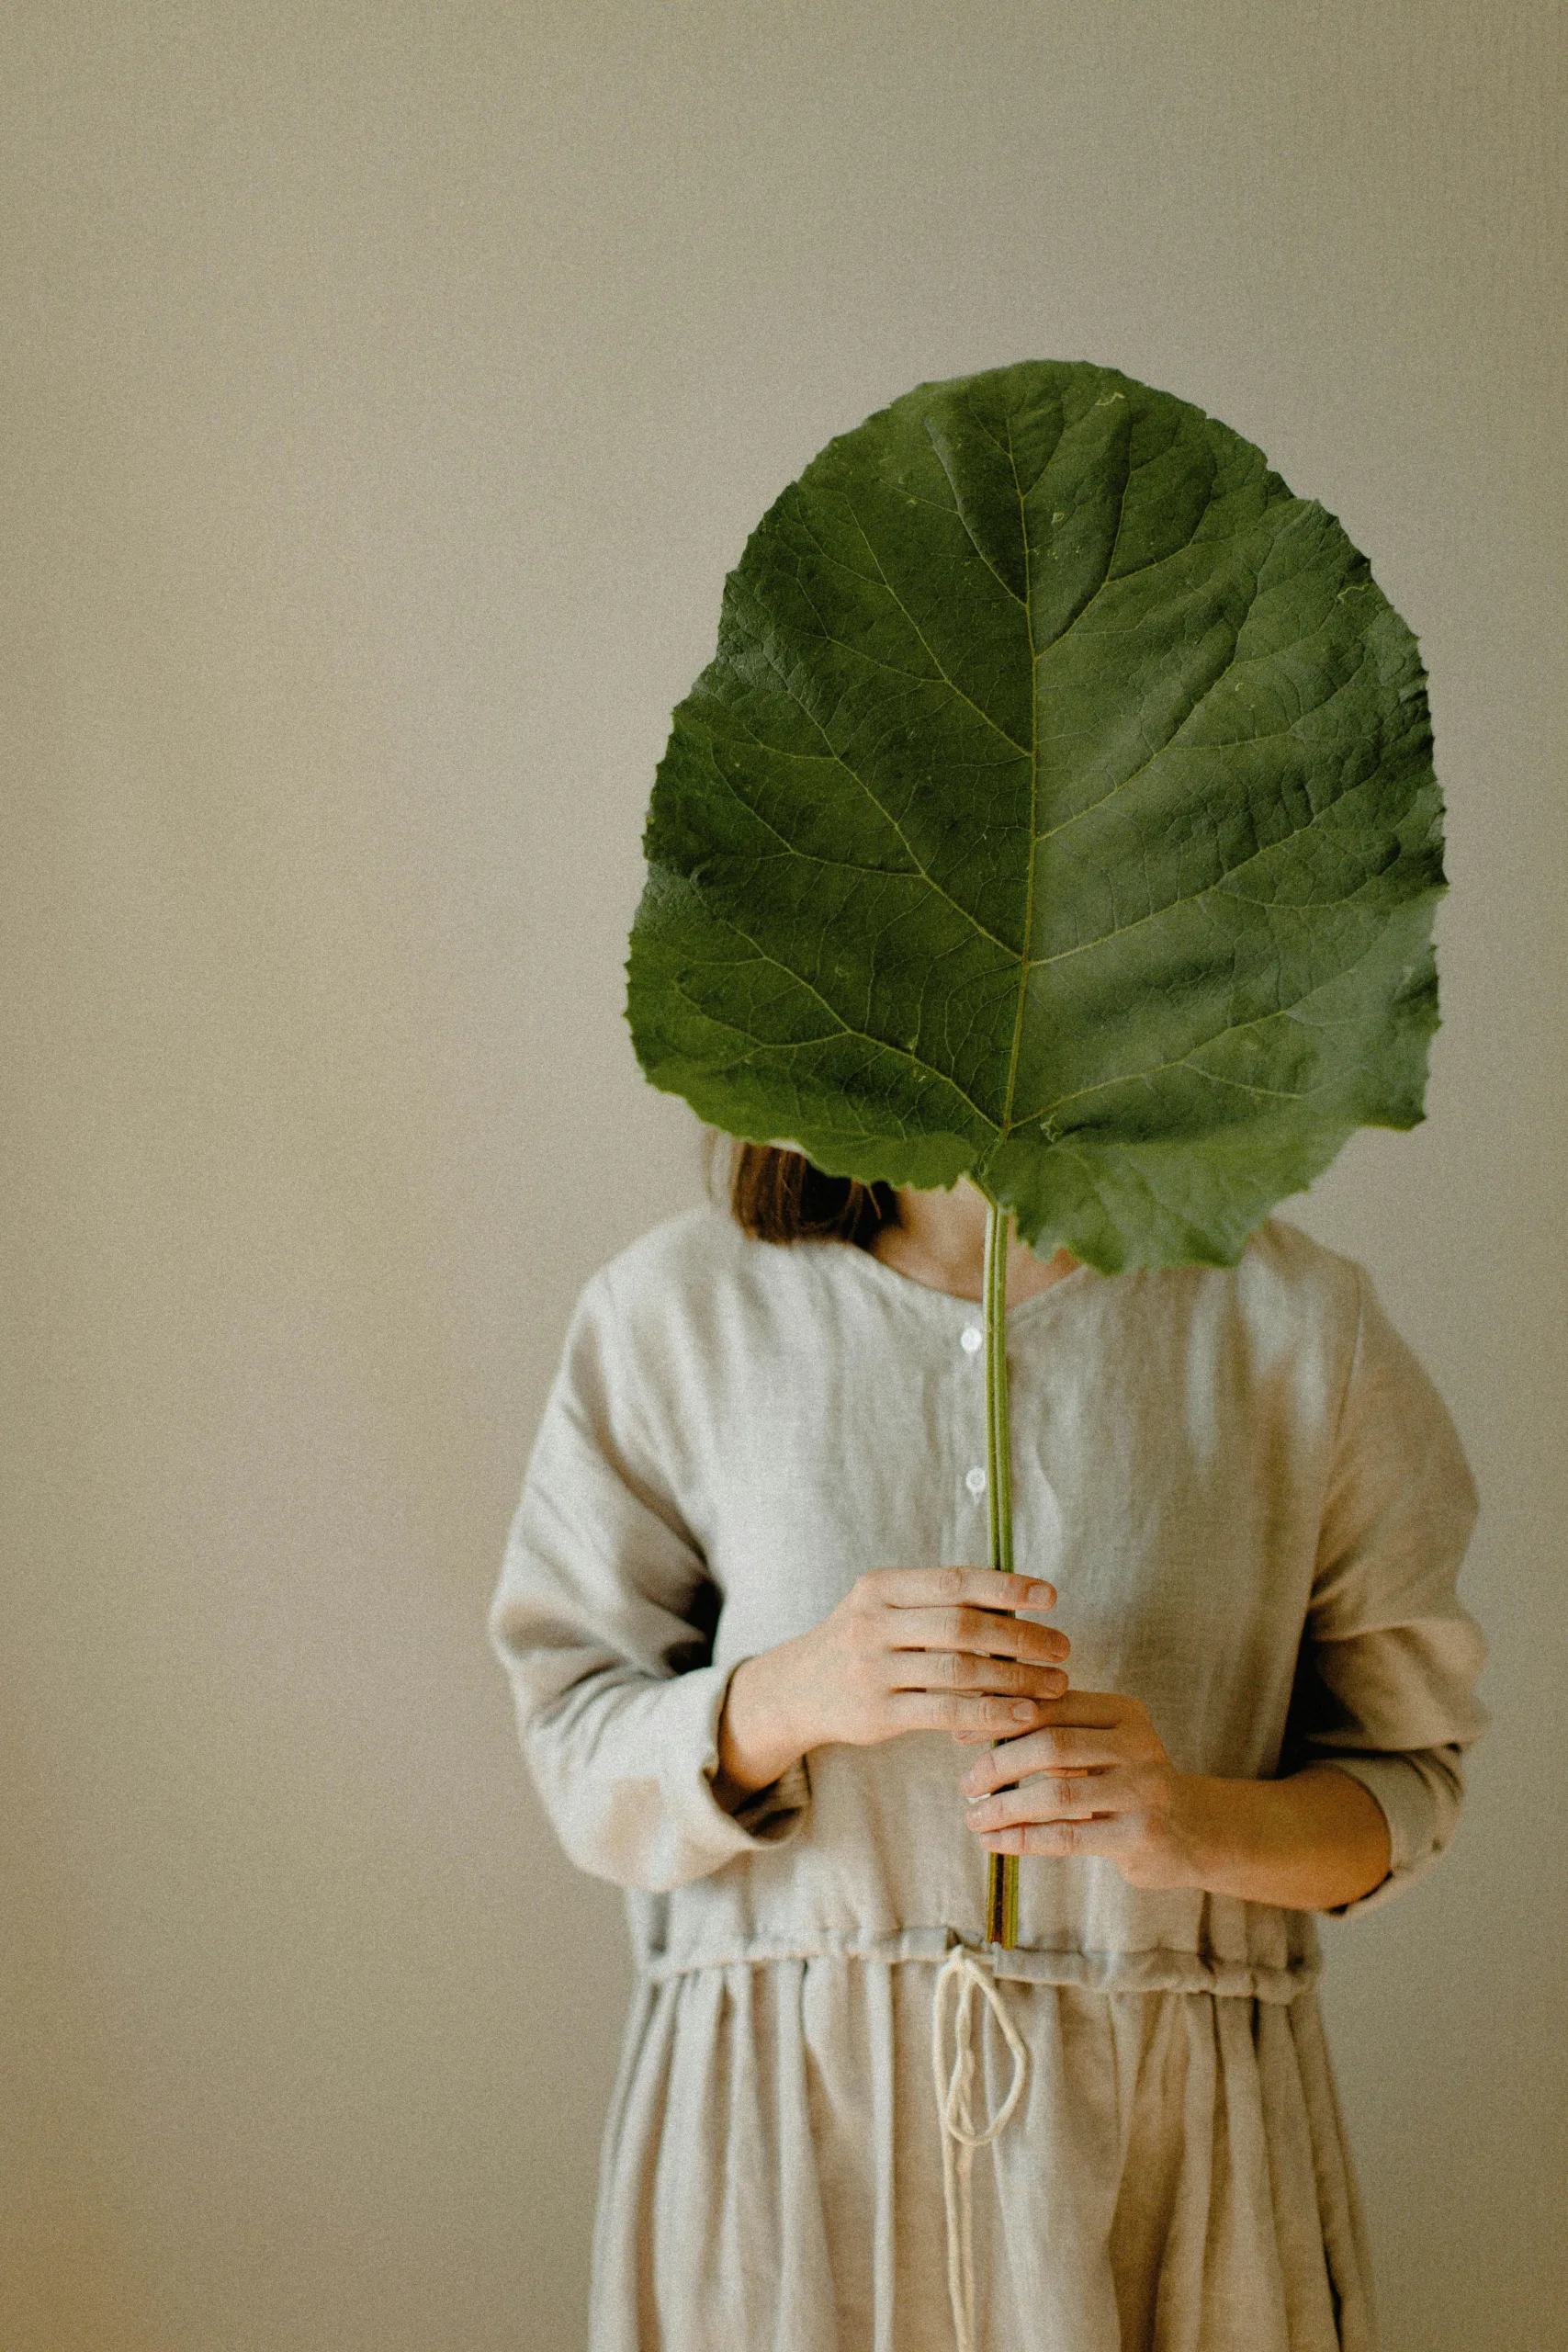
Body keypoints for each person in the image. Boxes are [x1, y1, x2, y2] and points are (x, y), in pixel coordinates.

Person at [489, 1142, 1487, 2352]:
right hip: (790, 2167)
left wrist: (1188, 1823)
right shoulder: (677, 1313)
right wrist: (785, 1695)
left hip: (1159, 2172)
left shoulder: (1291, 1326)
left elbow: (1408, 1782)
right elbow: (575, 1746)